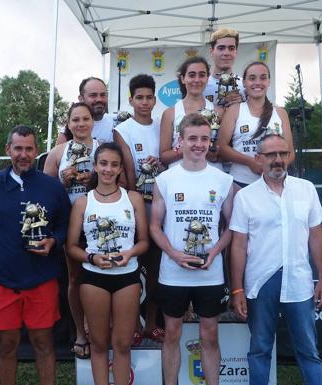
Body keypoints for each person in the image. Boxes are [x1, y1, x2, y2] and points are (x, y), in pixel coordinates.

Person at [229, 133, 322, 385]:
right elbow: (238, 245)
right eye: (271, 154)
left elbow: (316, 237)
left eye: (282, 154)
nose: (278, 160)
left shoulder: (305, 189)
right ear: (258, 158)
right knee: (260, 348)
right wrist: (237, 288)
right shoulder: (245, 196)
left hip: (299, 281)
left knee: (308, 349)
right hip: (261, 282)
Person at [150, 113, 235, 385]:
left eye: (204, 139)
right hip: (173, 272)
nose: (199, 144)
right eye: (192, 138)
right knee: (172, 332)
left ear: (210, 141)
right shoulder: (165, 179)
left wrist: (215, 251)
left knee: (209, 335)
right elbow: (154, 227)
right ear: (180, 141)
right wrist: (174, 254)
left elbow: (232, 227)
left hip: (210, 272)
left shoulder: (223, 180)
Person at [0, 125, 70, 385]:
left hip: (41, 277)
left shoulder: (52, 186)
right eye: (18, 148)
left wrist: (54, 240)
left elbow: (65, 224)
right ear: (8, 149)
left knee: (42, 342)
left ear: (36, 151)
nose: (23, 154)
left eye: (29, 148)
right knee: (7, 344)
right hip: (2, 278)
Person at [66, 143, 149, 385]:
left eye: (114, 165)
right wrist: (92, 258)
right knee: (99, 343)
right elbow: (71, 246)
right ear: (95, 166)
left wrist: (130, 253)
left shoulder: (132, 198)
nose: (108, 169)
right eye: (103, 164)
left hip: (127, 276)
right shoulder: (83, 202)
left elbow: (144, 241)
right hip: (94, 278)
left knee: (122, 344)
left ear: (121, 168)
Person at [113, 73, 165, 344]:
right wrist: (134, 201)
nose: (144, 103)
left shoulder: (161, 126)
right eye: (139, 98)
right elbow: (127, 169)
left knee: (156, 265)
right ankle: (133, 322)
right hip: (135, 203)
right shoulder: (123, 130)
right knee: (134, 266)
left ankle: (152, 322)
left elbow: (168, 160)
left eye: (149, 98)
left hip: (161, 204)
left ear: (155, 100)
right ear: (131, 100)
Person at [44, 102, 98, 359]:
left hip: (99, 221)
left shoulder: (103, 149)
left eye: (85, 119)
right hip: (70, 223)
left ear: (92, 121)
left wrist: (94, 180)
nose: (81, 124)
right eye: (75, 119)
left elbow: (121, 183)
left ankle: (98, 328)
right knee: (75, 278)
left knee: (101, 277)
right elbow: (44, 193)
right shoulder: (57, 153)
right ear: (69, 123)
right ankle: (79, 332)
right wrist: (61, 182)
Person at [218, 61, 295, 187]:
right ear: (244, 83)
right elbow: (222, 147)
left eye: (263, 78)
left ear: (269, 81)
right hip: (240, 183)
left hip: (274, 184)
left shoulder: (281, 113)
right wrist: (250, 162)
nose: (257, 83)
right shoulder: (234, 110)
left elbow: (290, 152)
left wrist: (272, 166)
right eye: (252, 78)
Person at [159, 56, 224, 170]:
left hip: (211, 177)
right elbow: (164, 156)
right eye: (192, 75)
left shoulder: (219, 112)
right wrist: (187, 147)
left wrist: (213, 153)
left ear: (207, 78)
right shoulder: (170, 113)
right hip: (179, 178)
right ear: (183, 78)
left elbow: (223, 153)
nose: (197, 80)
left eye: (202, 75)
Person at [57, 77, 115, 145]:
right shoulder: (69, 131)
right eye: (93, 95)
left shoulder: (117, 123)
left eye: (103, 95)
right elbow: (58, 154)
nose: (99, 99)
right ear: (81, 99)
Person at [204, 28, 245, 107]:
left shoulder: (245, 86)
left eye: (231, 48)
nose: (226, 53)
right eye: (221, 48)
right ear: (211, 51)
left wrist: (244, 104)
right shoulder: (201, 86)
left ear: (236, 52)